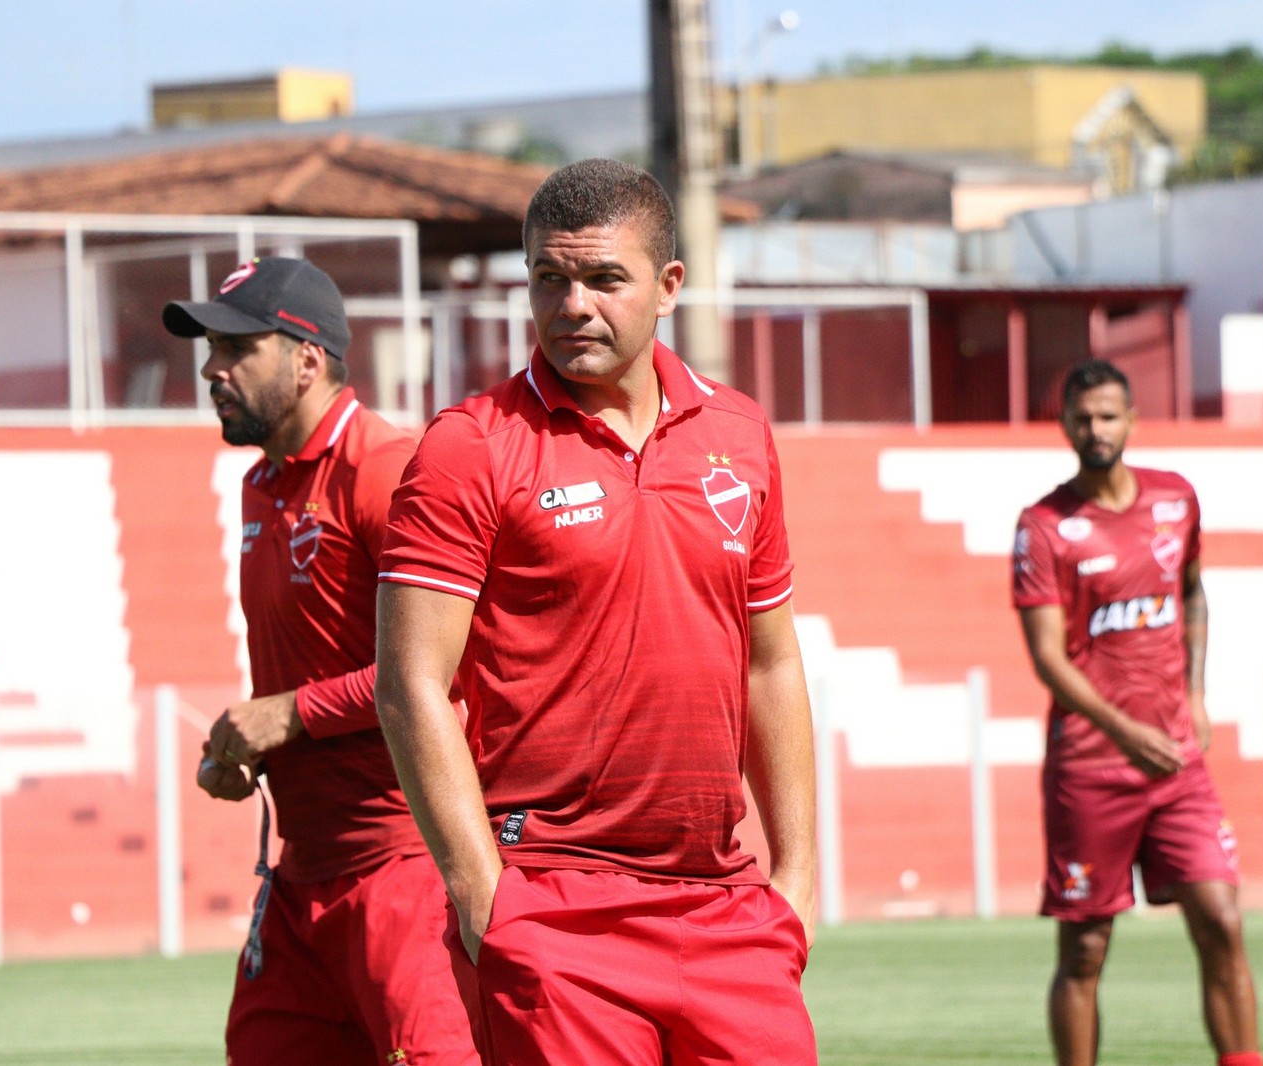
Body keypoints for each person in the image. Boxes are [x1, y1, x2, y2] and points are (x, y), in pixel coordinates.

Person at [373, 158, 819, 1065]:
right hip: (556, 908)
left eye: (604, 278)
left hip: (728, 909)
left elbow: (770, 662)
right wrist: (482, 895)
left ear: (668, 287)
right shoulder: (469, 447)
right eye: (548, 277)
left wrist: (797, 877)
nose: (571, 303)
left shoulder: (739, 434)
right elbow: (410, 683)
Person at [162, 256, 477, 1066]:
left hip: (405, 865)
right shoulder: (260, 485)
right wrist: (251, 742)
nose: (211, 367)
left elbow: (445, 668)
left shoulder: (390, 469)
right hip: (304, 877)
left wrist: (289, 715)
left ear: (307, 359)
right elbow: (304, 671)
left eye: (236, 347)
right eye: (209, 348)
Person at [1012, 359, 1263, 1066]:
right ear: (1064, 423)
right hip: (1091, 769)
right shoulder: (1043, 526)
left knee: (1223, 920)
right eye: (1083, 417)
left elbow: (1190, 593)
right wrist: (1126, 733)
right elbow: (1047, 659)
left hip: (1177, 763)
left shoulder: (1176, 498)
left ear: (1132, 420)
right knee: (1086, 947)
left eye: (1108, 415)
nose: (1096, 429)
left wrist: (1195, 695)